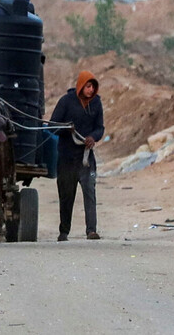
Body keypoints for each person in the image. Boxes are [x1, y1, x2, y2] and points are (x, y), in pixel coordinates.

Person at [49, 70, 104, 242]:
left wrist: (92, 138)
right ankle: (64, 231)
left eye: (93, 87)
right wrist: (67, 128)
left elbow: (100, 128)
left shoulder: (96, 103)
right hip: (66, 157)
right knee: (66, 195)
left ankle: (91, 230)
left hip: (86, 158)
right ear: (81, 86)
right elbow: (52, 126)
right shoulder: (66, 101)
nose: (90, 90)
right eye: (88, 86)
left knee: (90, 192)